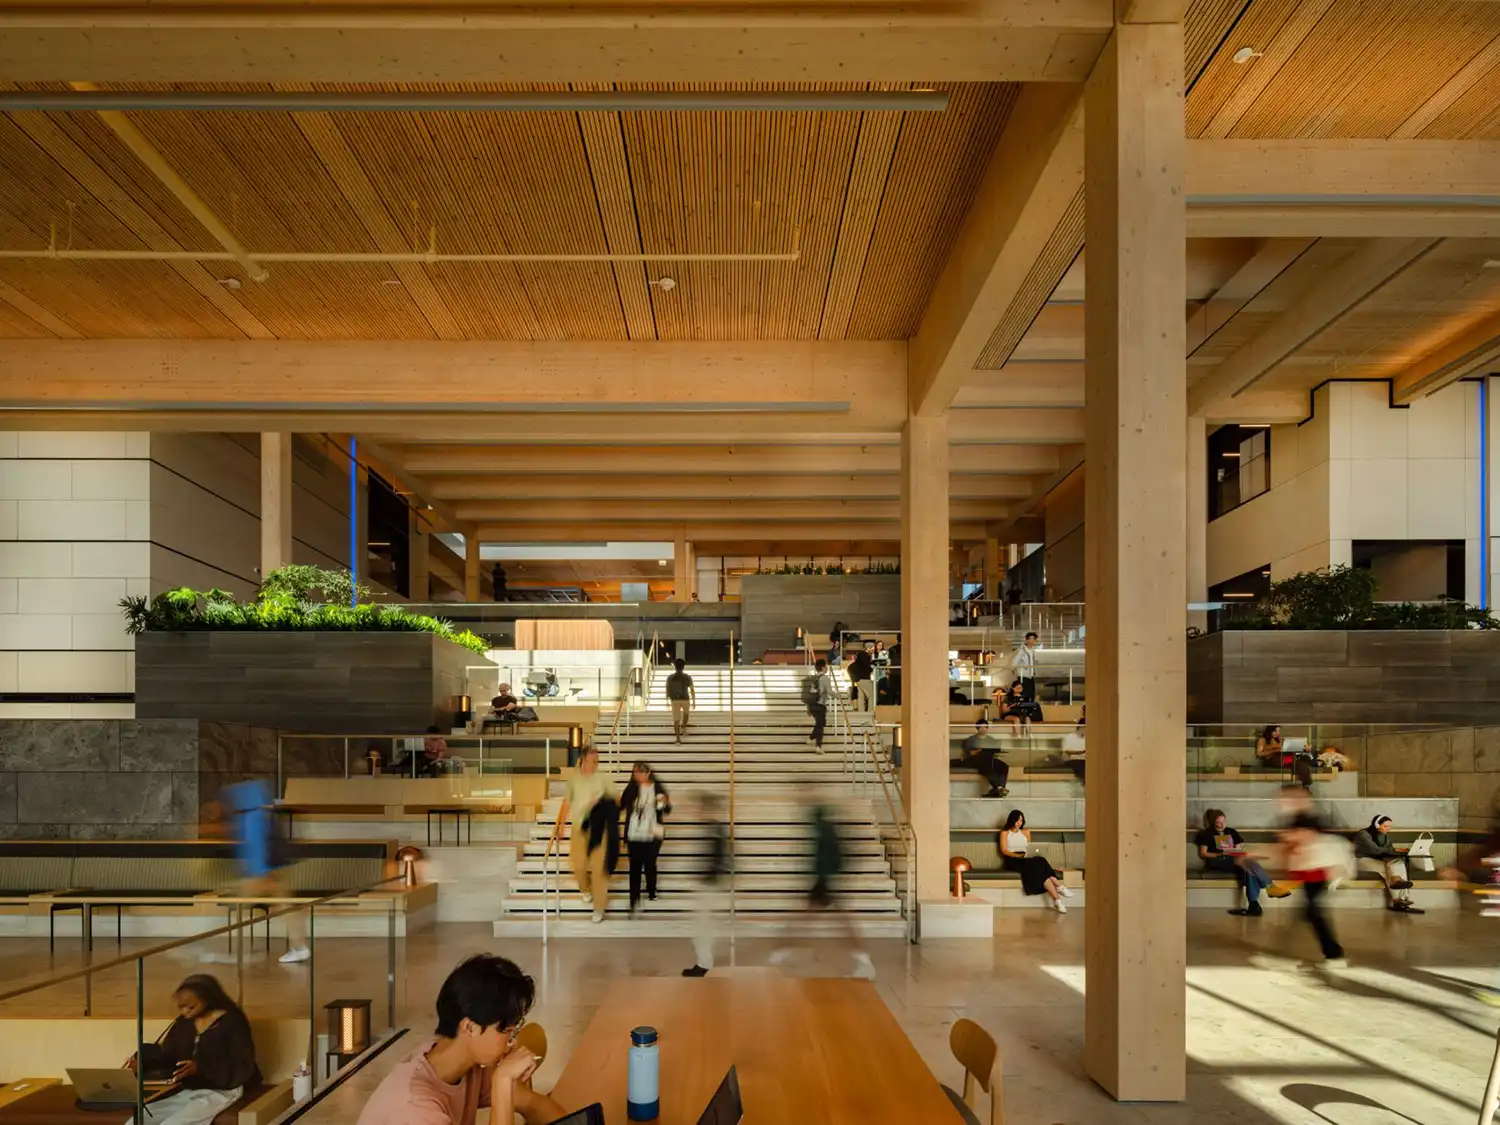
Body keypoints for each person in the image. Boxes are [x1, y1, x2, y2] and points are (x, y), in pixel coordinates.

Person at [357, 955, 565, 1125]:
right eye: (508, 1031)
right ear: (470, 1027)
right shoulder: (416, 1108)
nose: (511, 1041)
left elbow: (533, 1104)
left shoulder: (469, 1063)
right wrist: (502, 1083)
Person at [125, 975, 258, 1125]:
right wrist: (141, 1063)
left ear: (208, 999)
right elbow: (168, 1053)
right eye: (181, 1007)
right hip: (188, 1090)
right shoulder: (185, 1022)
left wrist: (199, 1068)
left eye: (190, 1007)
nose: (185, 1012)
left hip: (223, 1090)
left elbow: (242, 1064)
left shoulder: (232, 1022)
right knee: (137, 1121)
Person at [769, 802, 875, 979]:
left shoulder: (823, 831)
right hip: (827, 881)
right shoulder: (827, 830)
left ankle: (778, 954)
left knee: (821, 920)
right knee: (828, 921)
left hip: (826, 881)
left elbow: (825, 858)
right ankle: (779, 953)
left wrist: (823, 878)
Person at [224, 779, 310, 965]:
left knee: (234, 902)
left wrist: (260, 873)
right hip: (275, 870)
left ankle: (228, 951)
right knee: (287, 907)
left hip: (262, 874)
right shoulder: (263, 815)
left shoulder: (249, 818)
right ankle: (299, 946)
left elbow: (255, 847)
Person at [1279, 785, 1346, 966]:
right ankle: (1330, 953)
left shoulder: (1311, 818)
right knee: (1306, 912)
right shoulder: (1296, 819)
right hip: (1308, 875)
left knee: (1312, 912)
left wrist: (1290, 838)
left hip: (1319, 875)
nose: (1284, 802)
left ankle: (1334, 955)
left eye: (1288, 798)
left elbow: (1308, 839)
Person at [550, 745, 615, 923]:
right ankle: (586, 890)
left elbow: (616, 800)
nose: (596, 764)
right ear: (584, 759)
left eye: (597, 761)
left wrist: (601, 800)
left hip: (600, 828)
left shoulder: (604, 778)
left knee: (598, 869)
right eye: (593, 760)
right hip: (579, 827)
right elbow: (566, 803)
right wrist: (561, 826)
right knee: (578, 866)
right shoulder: (573, 780)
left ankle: (599, 908)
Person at [1195, 809, 1289, 916]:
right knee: (1248, 864)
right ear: (1213, 822)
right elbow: (1203, 853)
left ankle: (1254, 905)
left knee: (1249, 869)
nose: (1222, 825)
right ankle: (1270, 887)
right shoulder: (1207, 834)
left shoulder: (1232, 832)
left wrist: (1236, 852)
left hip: (1235, 860)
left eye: (1223, 821)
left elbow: (1239, 849)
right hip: (1217, 860)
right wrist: (1219, 854)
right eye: (1218, 822)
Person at [682, 790, 730, 977]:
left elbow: (717, 859)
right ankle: (703, 962)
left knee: (703, 926)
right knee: (702, 925)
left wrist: (706, 875)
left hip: (710, 884)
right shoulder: (712, 828)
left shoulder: (715, 830)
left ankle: (704, 964)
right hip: (707, 882)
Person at [620, 762, 671, 916]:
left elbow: (667, 810)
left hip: (652, 834)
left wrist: (663, 803)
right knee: (634, 869)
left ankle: (651, 889)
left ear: (648, 772)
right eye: (635, 773)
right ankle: (633, 901)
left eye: (641, 773)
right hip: (634, 833)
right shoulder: (632, 788)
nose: (638, 776)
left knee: (649, 864)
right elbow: (622, 804)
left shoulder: (657, 788)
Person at [999, 809, 1071, 913]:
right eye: (1017, 820)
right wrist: (1018, 856)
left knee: (1040, 859)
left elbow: (1030, 847)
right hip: (1012, 859)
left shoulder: (1026, 832)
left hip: (1026, 856)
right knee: (1038, 865)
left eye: (1021, 820)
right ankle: (1058, 888)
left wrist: (1027, 854)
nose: (1019, 823)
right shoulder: (1005, 833)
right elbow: (1004, 851)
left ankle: (1057, 900)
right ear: (1012, 820)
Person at [1354, 814, 1423, 914]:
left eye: (1389, 826)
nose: (1388, 829)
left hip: (1377, 859)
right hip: (1362, 860)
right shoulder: (1363, 834)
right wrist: (1395, 850)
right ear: (1377, 825)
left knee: (1399, 862)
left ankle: (1400, 891)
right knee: (1388, 869)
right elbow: (1375, 850)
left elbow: (1389, 849)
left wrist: (1401, 851)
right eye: (1385, 826)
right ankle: (1397, 900)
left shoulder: (1384, 836)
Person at [960, 718, 1008, 798]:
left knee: (1003, 765)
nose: (985, 729)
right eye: (982, 727)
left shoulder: (991, 740)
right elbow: (970, 753)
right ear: (978, 728)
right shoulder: (971, 739)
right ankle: (998, 788)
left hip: (989, 758)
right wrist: (979, 751)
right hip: (975, 760)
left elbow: (995, 751)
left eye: (986, 727)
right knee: (987, 763)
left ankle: (1001, 787)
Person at [664, 658, 695, 743]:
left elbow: (667, 688)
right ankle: (683, 726)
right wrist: (694, 700)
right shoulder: (687, 677)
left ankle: (678, 738)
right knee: (686, 715)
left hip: (674, 700)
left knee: (676, 719)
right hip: (685, 698)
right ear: (683, 667)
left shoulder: (670, 677)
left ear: (675, 667)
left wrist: (667, 699)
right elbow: (692, 689)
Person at [805, 658, 831, 753]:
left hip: (812, 705)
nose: (827, 667)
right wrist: (839, 696)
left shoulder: (813, 678)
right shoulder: (825, 678)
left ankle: (811, 738)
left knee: (821, 723)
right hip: (820, 705)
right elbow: (830, 691)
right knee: (820, 725)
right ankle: (818, 746)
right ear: (823, 667)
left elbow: (808, 694)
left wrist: (808, 707)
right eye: (826, 666)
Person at [847, 646, 875, 713]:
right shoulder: (865, 662)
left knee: (861, 697)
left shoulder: (855, 664)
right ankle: (870, 711)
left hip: (858, 681)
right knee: (871, 696)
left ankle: (861, 711)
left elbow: (849, 668)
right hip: (865, 680)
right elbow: (869, 670)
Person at [1014, 632, 1038, 702]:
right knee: (1024, 695)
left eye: (1034, 639)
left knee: (1031, 695)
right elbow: (1014, 663)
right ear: (1026, 640)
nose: (1032, 641)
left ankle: (1030, 711)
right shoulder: (1022, 651)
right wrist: (1016, 673)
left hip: (1031, 676)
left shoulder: (1034, 651)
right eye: (1030, 639)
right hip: (1023, 676)